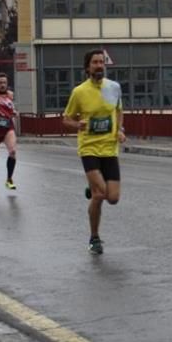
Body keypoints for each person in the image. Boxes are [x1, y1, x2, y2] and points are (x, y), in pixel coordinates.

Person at [62, 50, 125, 255]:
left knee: (113, 198)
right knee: (101, 194)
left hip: (109, 148)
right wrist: (77, 124)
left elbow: (118, 110)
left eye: (101, 62)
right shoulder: (79, 92)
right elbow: (66, 119)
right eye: (95, 62)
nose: (99, 65)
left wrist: (120, 131)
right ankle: (94, 237)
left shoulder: (113, 87)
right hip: (89, 147)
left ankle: (93, 187)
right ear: (87, 67)